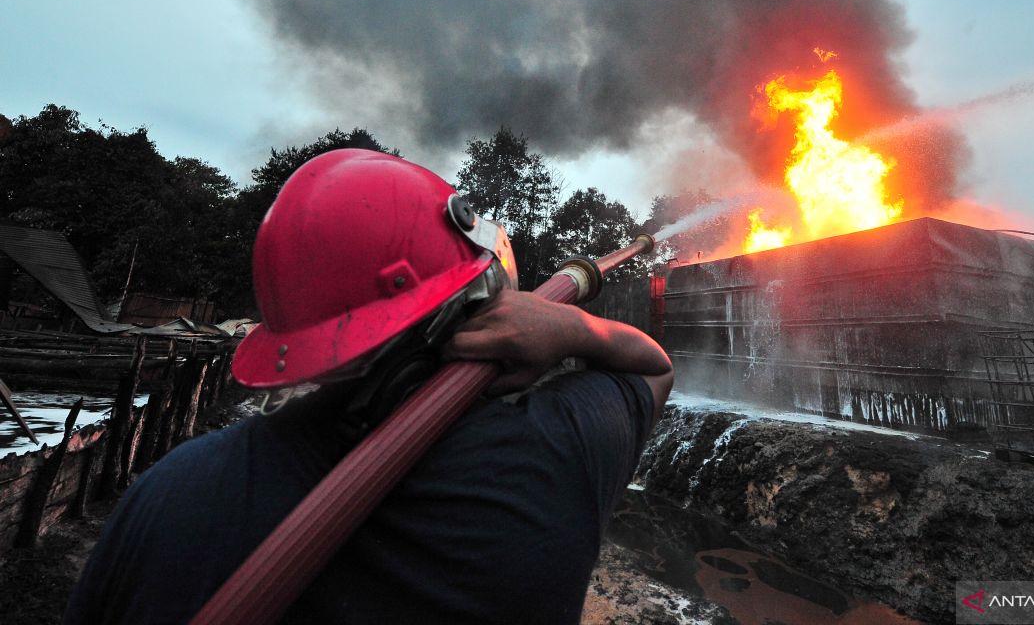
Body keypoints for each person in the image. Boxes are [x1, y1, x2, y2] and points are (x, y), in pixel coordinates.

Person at [64, 149, 673, 625]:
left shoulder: (171, 497)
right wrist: (575, 325)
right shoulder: (554, 459)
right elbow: (651, 367)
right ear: (475, 305)